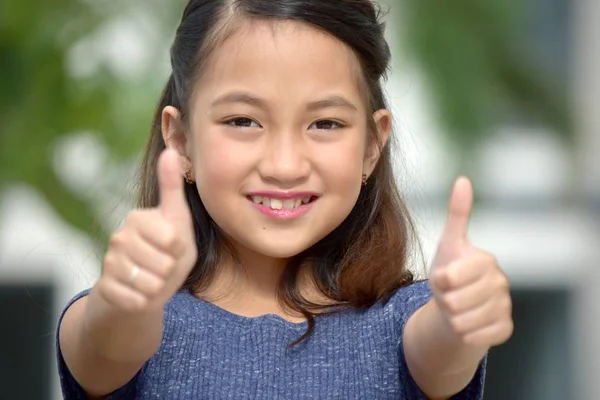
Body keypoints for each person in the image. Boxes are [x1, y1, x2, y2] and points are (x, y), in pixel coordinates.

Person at [56, 0, 514, 399]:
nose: (284, 164)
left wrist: (459, 318)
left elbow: (441, 353)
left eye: (325, 124)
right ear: (180, 141)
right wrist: (128, 302)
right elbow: (106, 344)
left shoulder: (409, 324)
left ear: (372, 146)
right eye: (243, 121)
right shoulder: (121, 321)